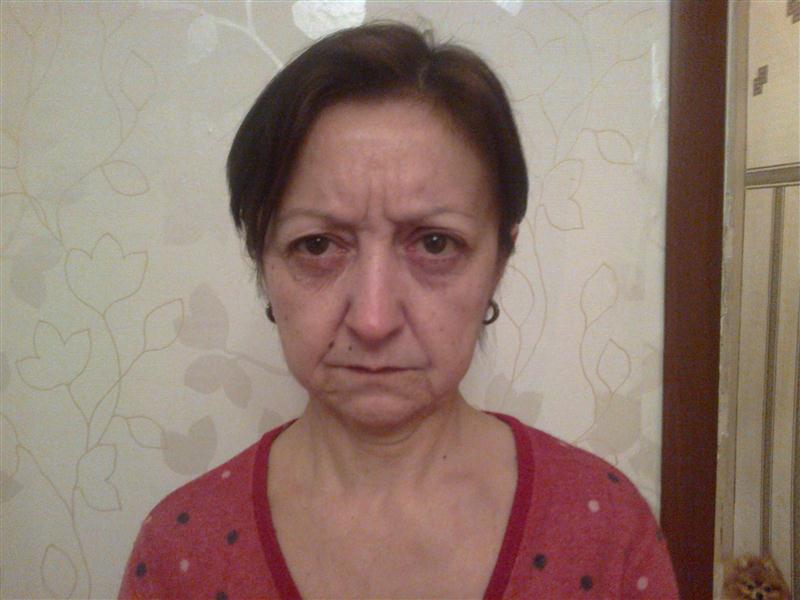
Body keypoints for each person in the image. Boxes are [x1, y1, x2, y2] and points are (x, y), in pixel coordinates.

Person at [119, 22, 678, 599]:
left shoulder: (605, 531)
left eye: (435, 244)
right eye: (317, 245)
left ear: (499, 262)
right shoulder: (181, 550)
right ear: (263, 262)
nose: (373, 320)